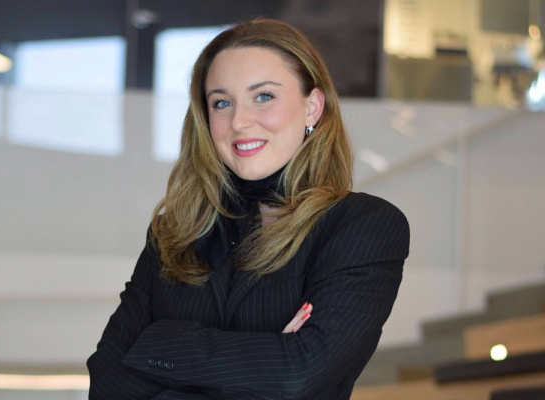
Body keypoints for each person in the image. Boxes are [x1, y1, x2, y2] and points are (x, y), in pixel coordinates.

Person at [87, 16, 410, 400]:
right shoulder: (173, 231)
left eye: (264, 96)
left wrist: (160, 343)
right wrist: (267, 357)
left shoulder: (364, 226)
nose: (239, 121)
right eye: (222, 103)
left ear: (312, 107)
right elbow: (107, 381)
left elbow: (297, 374)